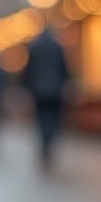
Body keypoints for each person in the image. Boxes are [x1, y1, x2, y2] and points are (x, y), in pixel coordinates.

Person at [21, 28, 70, 166]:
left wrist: (27, 87)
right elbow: (64, 68)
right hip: (55, 90)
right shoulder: (57, 46)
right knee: (54, 118)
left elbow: (28, 71)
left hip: (38, 91)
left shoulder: (34, 46)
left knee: (42, 118)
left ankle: (45, 141)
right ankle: (49, 138)